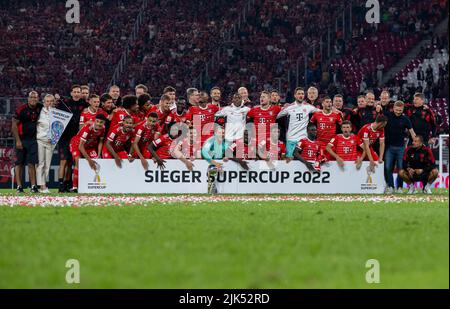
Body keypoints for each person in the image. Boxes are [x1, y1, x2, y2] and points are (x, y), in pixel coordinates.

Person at [55, 85, 88, 193]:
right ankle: (60, 184)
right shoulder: (64, 103)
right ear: (71, 93)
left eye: (79, 92)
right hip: (64, 137)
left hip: (77, 138)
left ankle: (67, 183)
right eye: (75, 91)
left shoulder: (85, 104)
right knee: (63, 161)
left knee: (71, 163)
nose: (77, 93)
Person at [12, 91, 43, 193]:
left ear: (38, 99)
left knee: (32, 163)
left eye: (35, 97)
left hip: (33, 140)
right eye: (31, 97)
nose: (33, 99)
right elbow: (14, 125)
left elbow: (50, 107)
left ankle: (33, 186)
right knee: (19, 163)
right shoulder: (21, 110)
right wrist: (18, 141)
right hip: (21, 140)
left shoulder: (40, 107)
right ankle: (19, 187)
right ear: (28, 98)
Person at [383, 101, 416, 194]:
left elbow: (412, 132)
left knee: (401, 168)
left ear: (403, 109)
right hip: (389, 147)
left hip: (401, 147)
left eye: (400, 110)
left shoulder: (406, 119)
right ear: (393, 108)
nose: (398, 112)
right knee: (388, 167)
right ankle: (390, 187)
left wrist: (416, 142)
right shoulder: (387, 115)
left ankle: (400, 187)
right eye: (396, 110)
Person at [276, 92, 319, 160]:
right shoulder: (289, 107)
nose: (300, 95)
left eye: (302, 94)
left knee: (303, 161)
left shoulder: (308, 106)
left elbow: (320, 111)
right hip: (291, 139)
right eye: (298, 94)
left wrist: (333, 110)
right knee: (289, 161)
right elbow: (276, 116)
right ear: (295, 95)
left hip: (303, 139)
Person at [69, 114, 107, 192]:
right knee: (78, 161)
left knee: (97, 163)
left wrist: (99, 154)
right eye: (97, 121)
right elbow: (80, 146)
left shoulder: (103, 128)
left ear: (104, 123)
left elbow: (100, 142)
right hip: (76, 144)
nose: (99, 124)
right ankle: (75, 187)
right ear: (94, 121)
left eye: (101, 122)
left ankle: (93, 185)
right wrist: (89, 160)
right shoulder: (88, 128)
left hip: (90, 146)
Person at [36, 94, 55, 193]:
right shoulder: (39, 111)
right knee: (41, 163)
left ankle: (43, 184)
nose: (49, 103)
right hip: (40, 140)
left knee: (48, 164)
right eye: (47, 101)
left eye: (51, 101)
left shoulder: (56, 113)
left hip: (51, 142)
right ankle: (42, 186)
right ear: (44, 102)